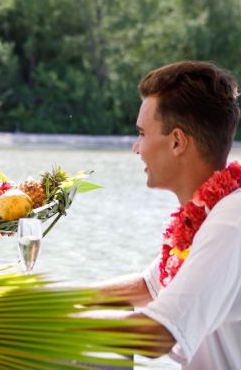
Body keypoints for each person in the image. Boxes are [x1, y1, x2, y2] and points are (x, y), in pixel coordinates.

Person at [89, 61, 241, 368]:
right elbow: (147, 287)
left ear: (176, 142)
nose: (136, 148)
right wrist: (40, 298)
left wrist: (39, 324)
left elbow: (158, 333)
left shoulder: (231, 220)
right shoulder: (209, 212)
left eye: (142, 133)